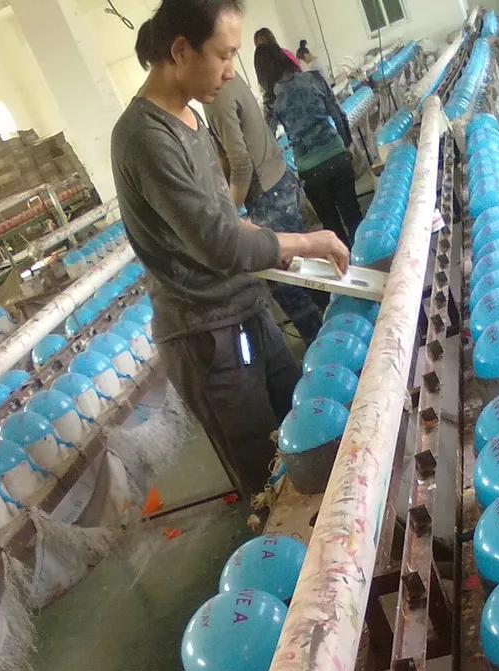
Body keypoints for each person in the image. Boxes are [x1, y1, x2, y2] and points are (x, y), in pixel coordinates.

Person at [111, 0, 349, 498]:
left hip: (245, 308)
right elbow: (219, 243)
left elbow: (224, 217)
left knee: (304, 431)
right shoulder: (144, 138)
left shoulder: (191, 117)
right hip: (207, 333)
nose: (231, 70)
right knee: (268, 478)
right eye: (223, 55)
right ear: (181, 50)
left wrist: (273, 246)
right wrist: (306, 239)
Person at [204, 73, 325, 346]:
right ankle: (337, 325)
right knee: (305, 269)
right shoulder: (231, 81)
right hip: (279, 180)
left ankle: (322, 345)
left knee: (286, 281)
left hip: (267, 193)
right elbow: (227, 154)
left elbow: (241, 163)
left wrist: (228, 214)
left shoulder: (217, 95)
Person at [255, 43, 363, 249]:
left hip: (309, 168)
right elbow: (338, 115)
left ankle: (345, 264)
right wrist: (346, 144)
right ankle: (365, 261)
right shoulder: (314, 78)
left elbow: (268, 139)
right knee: (353, 214)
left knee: (331, 228)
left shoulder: (272, 99)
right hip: (336, 154)